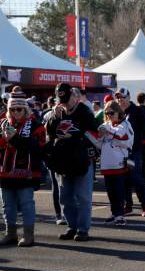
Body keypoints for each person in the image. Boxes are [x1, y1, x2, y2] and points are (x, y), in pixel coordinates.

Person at [46, 83, 98, 242]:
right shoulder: (56, 112)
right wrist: (54, 116)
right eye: (61, 100)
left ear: (75, 97)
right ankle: (71, 226)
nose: (64, 104)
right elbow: (48, 134)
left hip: (81, 159)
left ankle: (83, 229)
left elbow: (93, 134)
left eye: (67, 100)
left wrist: (75, 137)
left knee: (83, 197)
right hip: (62, 160)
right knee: (65, 197)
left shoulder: (85, 112)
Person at [0, 94, 46, 247]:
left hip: (26, 172)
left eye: (19, 109)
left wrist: (14, 139)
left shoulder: (35, 125)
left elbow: (37, 147)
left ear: (25, 109)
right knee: (7, 205)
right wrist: (4, 140)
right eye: (12, 109)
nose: (16, 112)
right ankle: (10, 233)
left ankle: (28, 235)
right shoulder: (3, 123)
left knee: (26, 204)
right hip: (5, 171)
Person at [95, 100, 134, 226]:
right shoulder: (106, 125)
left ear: (118, 112)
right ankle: (114, 213)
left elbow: (126, 140)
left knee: (118, 191)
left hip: (119, 163)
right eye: (107, 113)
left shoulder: (125, 124)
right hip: (107, 163)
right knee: (110, 191)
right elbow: (99, 144)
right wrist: (99, 136)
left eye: (112, 113)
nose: (109, 115)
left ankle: (120, 215)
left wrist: (108, 133)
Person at [115, 88, 145, 216]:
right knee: (124, 179)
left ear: (129, 97)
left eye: (122, 97)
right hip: (119, 152)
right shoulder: (116, 111)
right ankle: (127, 205)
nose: (120, 100)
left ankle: (144, 205)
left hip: (133, 151)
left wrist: (135, 138)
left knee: (136, 178)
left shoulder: (137, 111)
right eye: (118, 97)